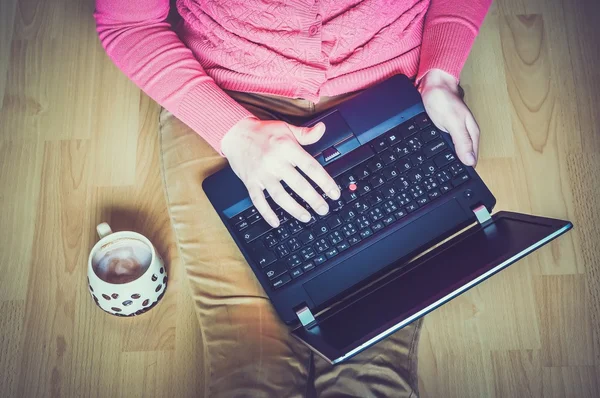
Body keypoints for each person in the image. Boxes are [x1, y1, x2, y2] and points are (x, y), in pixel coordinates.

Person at [95, 1, 492, 396]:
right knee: (249, 367)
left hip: (390, 92)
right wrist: (233, 133)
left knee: (371, 371)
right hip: (225, 94)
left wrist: (440, 73)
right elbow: (127, 23)